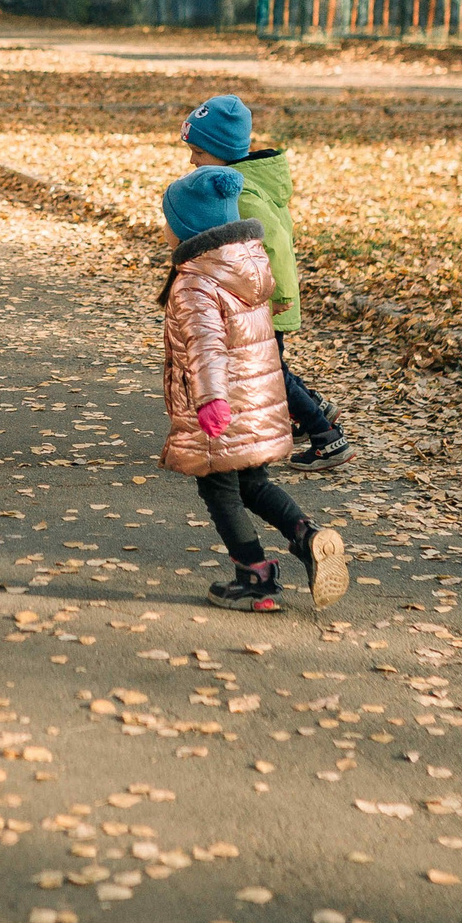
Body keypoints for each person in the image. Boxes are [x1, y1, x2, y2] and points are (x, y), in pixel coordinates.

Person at [158, 166, 349, 612]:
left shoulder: (195, 282)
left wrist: (210, 399)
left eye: (167, 220)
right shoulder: (245, 265)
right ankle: (307, 536)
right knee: (253, 483)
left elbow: (206, 346)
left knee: (218, 489)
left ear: (189, 227)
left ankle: (254, 575)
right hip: (255, 402)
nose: (163, 228)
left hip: (220, 404)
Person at [181, 94, 351, 470]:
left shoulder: (243, 196)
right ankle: (317, 407)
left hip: (264, 302)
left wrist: (277, 297)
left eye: (199, 153)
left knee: (270, 374)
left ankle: (326, 437)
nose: (192, 161)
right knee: (273, 368)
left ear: (222, 152)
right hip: (253, 299)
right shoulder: (235, 188)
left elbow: (276, 249)